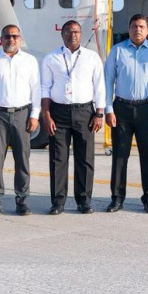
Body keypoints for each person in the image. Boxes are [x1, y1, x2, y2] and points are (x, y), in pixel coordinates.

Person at [40, 21, 104, 214]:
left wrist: (99, 113)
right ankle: (58, 202)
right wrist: (46, 114)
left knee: (85, 158)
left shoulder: (91, 57)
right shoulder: (51, 58)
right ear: (62, 34)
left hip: (85, 112)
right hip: (58, 113)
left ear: (81, 34)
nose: (72, 35)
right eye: (68, 32)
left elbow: (99, 87)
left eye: (76, 31)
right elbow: (45, 88)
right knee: (58, 158)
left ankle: (84, 201)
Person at [104, 14, 148, 213]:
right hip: (121, 109)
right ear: (129, 29)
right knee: (119, 156)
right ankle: (117, 198)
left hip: (146, 109)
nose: (137, 29)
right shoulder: (117, 50)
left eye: (141, 26)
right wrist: (108, 109)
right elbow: (108, 80)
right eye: (134, 26)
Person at [0, 24, 41, 216]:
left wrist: (34, 115)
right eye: (7, 36)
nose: (11, 39)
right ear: (1, 39)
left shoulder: (29, 61)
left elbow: (36, 89)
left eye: (14, 36)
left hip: (22, 114)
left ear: (19, 39)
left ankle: (22, 200)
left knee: (22, 159)